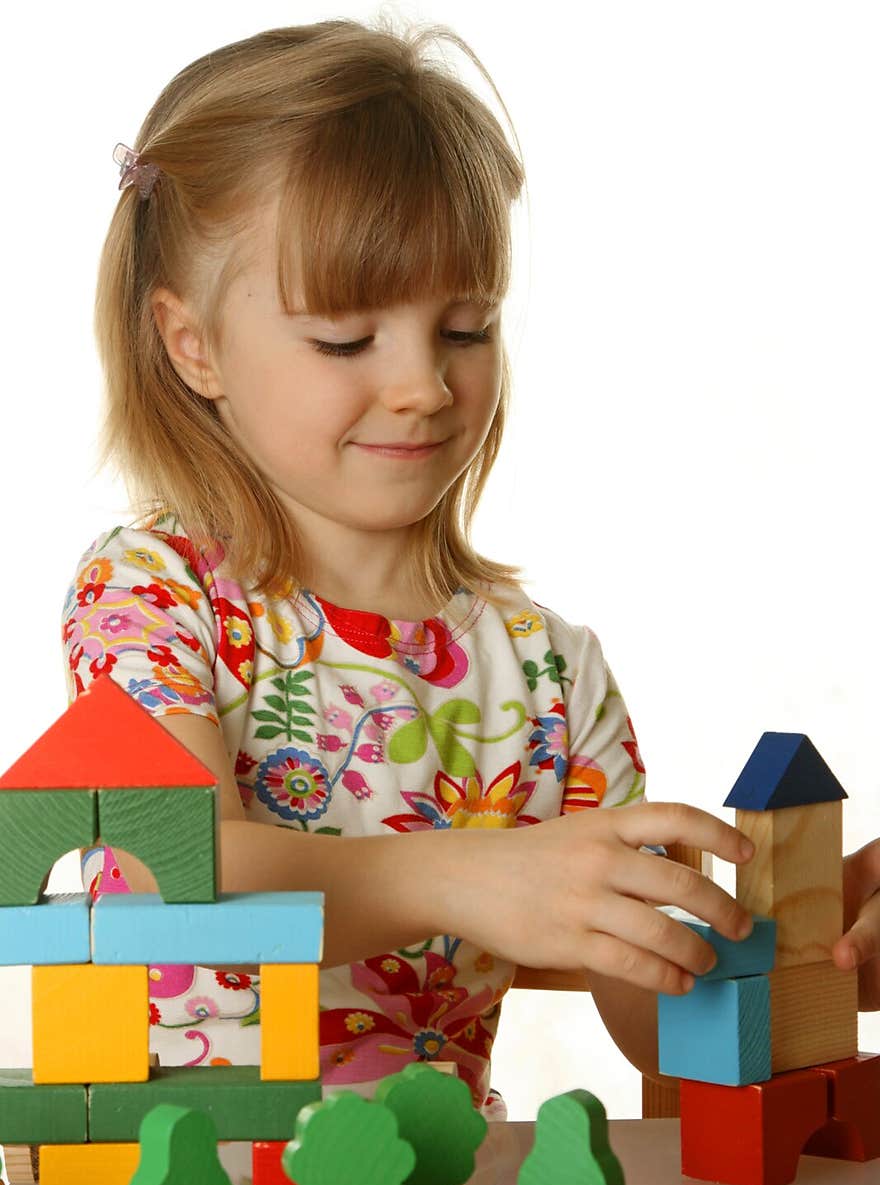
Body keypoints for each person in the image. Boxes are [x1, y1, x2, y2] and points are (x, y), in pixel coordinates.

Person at [61, 17, 880, 1115]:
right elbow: (180, 867)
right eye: (347, 339)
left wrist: (797, 961)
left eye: (464, 327)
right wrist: (466, 873)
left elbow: (651, 1014)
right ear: (189, 343)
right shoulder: (154, 593)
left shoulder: (547, 671)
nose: (423, 386)